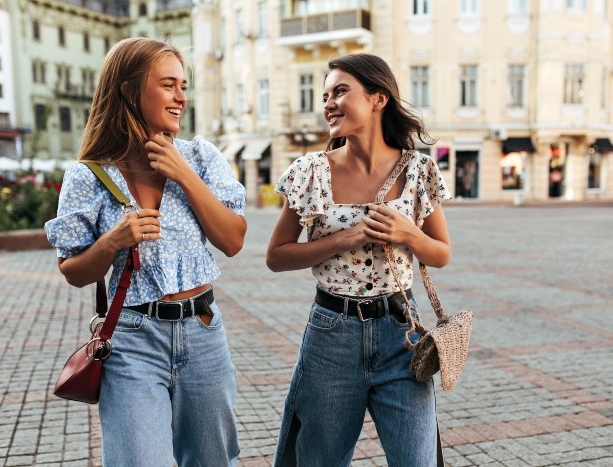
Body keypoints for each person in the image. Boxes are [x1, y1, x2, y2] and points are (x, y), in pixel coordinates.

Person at [44, 37, 246, 466]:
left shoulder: (199, 156)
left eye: (184, 86)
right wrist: (113, 241)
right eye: (168, 84)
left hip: (204, 332)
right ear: (129, 89)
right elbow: (74, 271)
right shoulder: (88, 175)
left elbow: (233, 240)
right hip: (133, 341)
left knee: (213, 460)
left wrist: (184, 175)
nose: (181, 98)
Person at [266, 53, 452, 466]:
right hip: (332, 334)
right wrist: (344, 238)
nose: (329, 103)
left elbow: (441, 254)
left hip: (402, 334)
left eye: (340, 91)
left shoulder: (419, 169)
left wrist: (408, 234)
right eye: (325, 95)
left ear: (378, 98)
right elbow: (276, 256)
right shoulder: (310, 171)